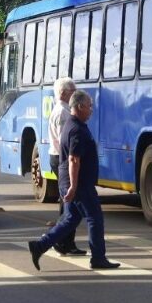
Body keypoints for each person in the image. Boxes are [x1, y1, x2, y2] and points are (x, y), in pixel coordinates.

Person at [29, 90, 120, 270]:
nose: (91, 110)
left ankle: (40, 246)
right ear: (79, 107)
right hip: (79, 184)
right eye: (89, 106)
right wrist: (73, 186)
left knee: (70, 219)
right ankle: (98, 258)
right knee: (94, 218)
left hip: (73, 182)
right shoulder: (76, 129)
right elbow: (73, 159)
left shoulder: (73, 125)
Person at [48, 77, 85, 256]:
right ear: (63, 93)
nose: (75, 95)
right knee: (69, 203)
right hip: (61, 159)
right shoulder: (63, 113)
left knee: (67, 202)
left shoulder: (61, 110)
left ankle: (63, 241)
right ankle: (62, 241)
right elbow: (67, 141)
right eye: (72, 92)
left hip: (59, 158)